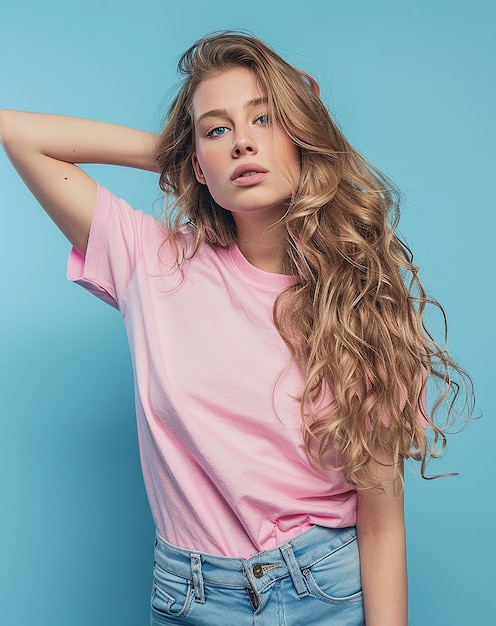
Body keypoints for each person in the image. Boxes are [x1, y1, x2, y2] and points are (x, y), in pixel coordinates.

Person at [0, 31, 473, 626]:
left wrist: (221, 145)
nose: (243, 141)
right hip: (190, 596)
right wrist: (185, 156)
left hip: (326, 589)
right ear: (196, 162)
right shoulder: (154, 263)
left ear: (304, 139)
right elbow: (17, 133)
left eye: (266, 119)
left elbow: (381, 523)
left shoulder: (366, 308)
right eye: (218, 129)